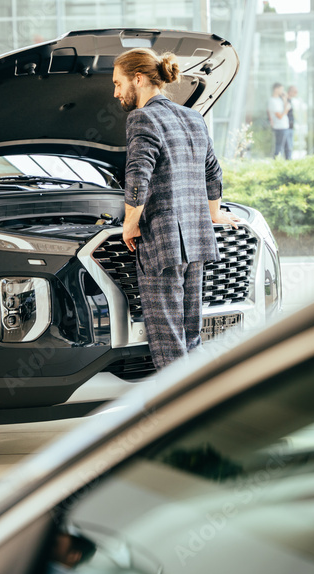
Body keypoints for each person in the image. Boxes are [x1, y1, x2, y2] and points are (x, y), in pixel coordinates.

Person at [112, 48, 239, 370]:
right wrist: (212, 214)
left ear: (137, 79)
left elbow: (138, 176)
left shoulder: (142, 116)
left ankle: (174, 412)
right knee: (190, 334)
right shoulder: (193, 117)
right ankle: (197, 404)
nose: (116, 93)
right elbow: (213, 171)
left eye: (118, 83)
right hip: (197, 238)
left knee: (168, 339)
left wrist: (130, 224)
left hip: (163, 240)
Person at [268, 82, 291, 159]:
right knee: (279, 148)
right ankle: (276, 163)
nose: (282, 91)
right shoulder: (272, 101)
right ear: (276, 89)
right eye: (281, 89)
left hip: (285, 126)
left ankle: (289, 164)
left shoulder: (279, 100)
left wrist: (285, 99)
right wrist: (286, 109)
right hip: (279, 127)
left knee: (288, 149)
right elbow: (280, 116)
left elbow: (286, 108)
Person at [285, 84, 298, 157]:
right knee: (288, 147)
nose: (296, 94)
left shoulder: (290, 100)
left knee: (290, 146)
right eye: (295, 92)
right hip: (286, 126)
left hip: (290, 126)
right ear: (290, 92)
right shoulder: (285, 100)